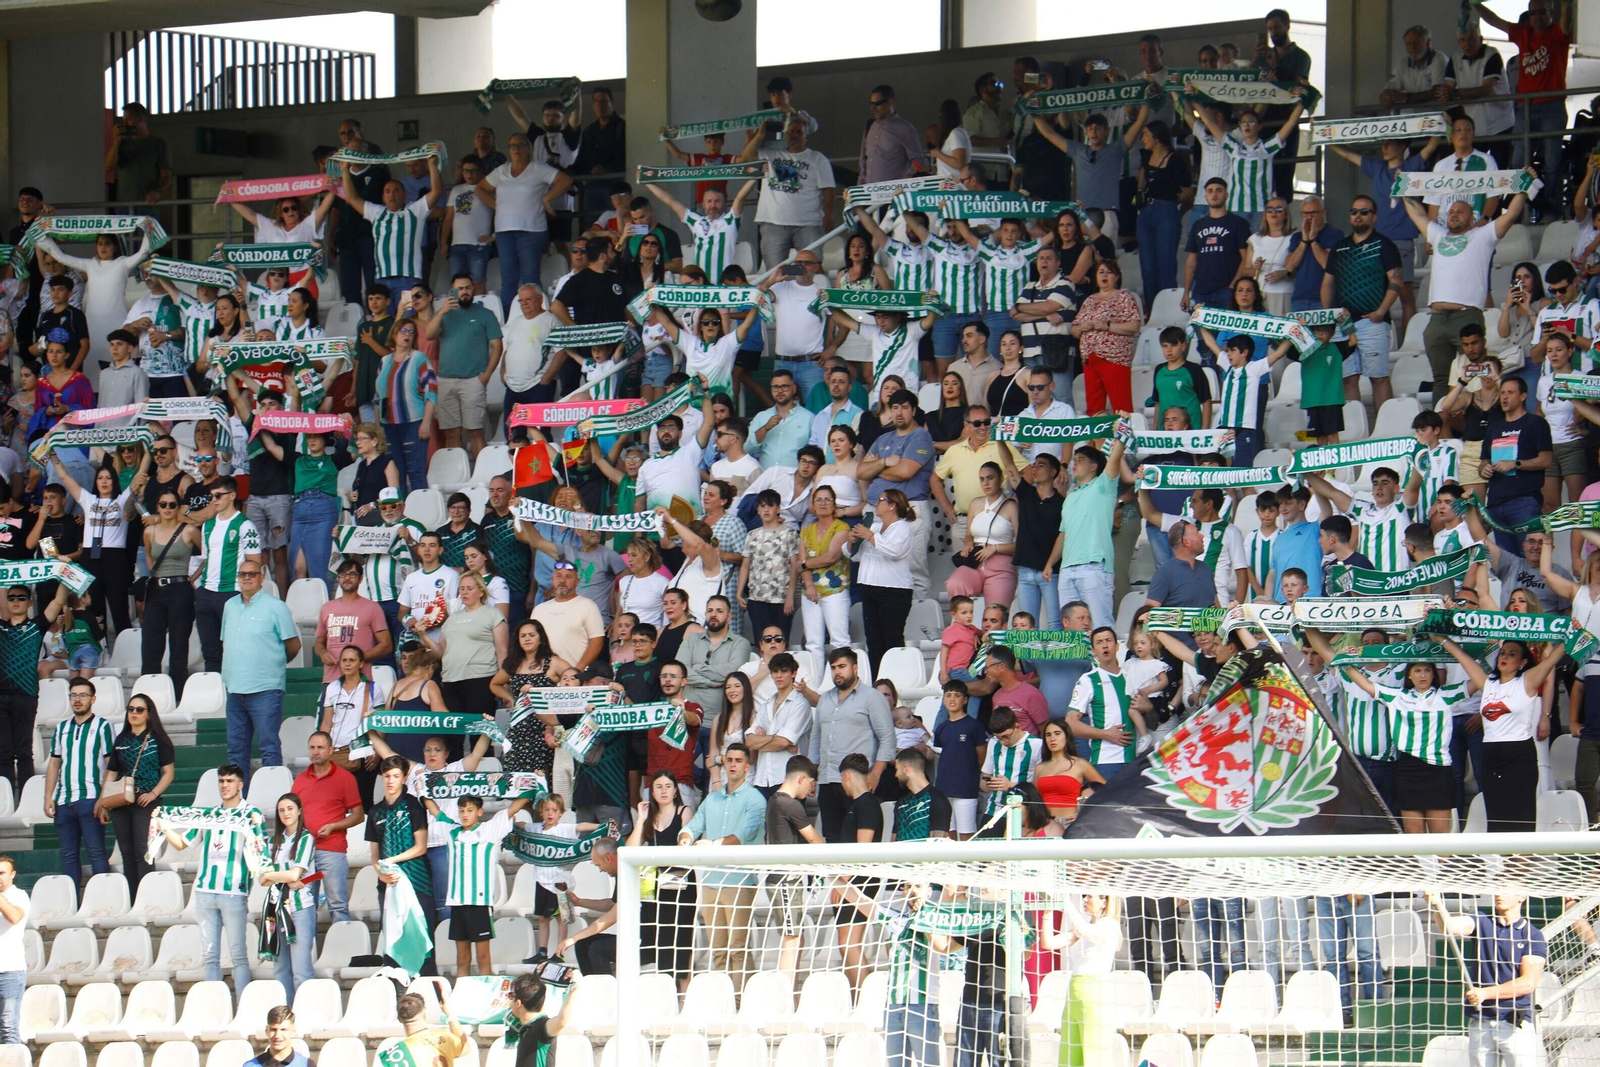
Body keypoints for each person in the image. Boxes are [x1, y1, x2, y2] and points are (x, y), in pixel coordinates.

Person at [1402, 175, 1533, 392]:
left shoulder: (1482, 235)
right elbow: (1417, 213)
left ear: (1472, 218)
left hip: (1466, 315)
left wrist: (1522, 188)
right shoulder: (1439, 234)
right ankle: (1441, 423)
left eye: (1460, 211)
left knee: (1476, 377)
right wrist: (1404, 188)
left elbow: (1511, 215)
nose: (1453, 215)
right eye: (1451, 212)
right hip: (1436, 318)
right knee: (1441, 380)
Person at [1436, 634, 1565, 834]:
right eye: (1502, 653)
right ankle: (1504, 864)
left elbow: (1553, 659)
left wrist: (1574, 631)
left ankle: (1522, 864)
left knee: (1521, 819)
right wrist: (1442, 639)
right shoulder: (1487, 683)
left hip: (1518, 755)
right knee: (1497, 820)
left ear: (1522, 662)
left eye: (1512, 654)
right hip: (1490, 755)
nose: (1504, 657)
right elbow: (1462, 656)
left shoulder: (1527, 681)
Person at [163, 764, 267, 997]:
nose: (224, 785)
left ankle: (243, 1008)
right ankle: (213, 1004)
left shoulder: (251, 815)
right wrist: (163, 825)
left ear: (240, 785)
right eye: (221, 781)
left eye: (229, 781)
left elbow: (261, 853)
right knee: (210, 955)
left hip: (234, 891)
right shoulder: (209, 814)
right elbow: (182, 843)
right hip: (204, 891)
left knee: (238, 954)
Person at [677, 743, 765, 990]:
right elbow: (693, 825)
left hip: (740, 882)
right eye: (730, 760)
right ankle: (724, 1003)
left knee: (738, 948)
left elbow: (744, 834)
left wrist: (712, 844)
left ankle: (742, 1002)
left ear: (747, 767)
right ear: (724, 764)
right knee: (718, 949)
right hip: (712, 882)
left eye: (738, 760)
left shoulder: (756, 799)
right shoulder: (712, 799)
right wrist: (685, 838)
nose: (734, 764)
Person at [1426, 889, 1547, 1066]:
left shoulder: (1532, 935)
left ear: (1522, 896)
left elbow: (1527, 983)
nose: (1499, 894)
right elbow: (1449, 927)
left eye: (1506, 890)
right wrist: (1436, 904)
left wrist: (1485, 993)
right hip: (1481, 1021)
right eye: (1497, 890)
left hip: (1515, 1024)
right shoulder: (1482, 921)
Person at [423, 788, 533, 977]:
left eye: (470, 810)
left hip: (479, 904)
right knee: (462, 959)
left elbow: (514, 807)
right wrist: (422, 788)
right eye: (462, 810)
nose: (465, 814)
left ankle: (486, 998)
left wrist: (532, 784)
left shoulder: (489, 830)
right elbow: (434, 810)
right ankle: (461, 997)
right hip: (458, 903)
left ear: (479, 812)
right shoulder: (451, 831)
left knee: (483, 957)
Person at [46, 451, 143, 638]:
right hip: (91, 556)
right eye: (100, 478)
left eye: (108, 478)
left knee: (118, 606)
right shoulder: (88, 499)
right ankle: (97, 650)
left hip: (115, 558)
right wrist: (53, 456)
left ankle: (126, 649)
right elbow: (65, 476)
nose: (104, 481)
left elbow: (143, 469)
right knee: (93, 607)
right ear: (96, 481)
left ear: (114, 481)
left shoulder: (122, 499)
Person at [35, 231, 153, 384]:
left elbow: (144, 252)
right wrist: (44, 235)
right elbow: (61, 257)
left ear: (115, 247)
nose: (103, 247)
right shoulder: (90, 264)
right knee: (92, 366)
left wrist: (147, 227)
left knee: (118, 359)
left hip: (117, 320)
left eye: (107, 244)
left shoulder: (123, 263)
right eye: (100, 244)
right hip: (92, 323)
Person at [1322, 195, 1403, 408]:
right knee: (1348, 378)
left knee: (1378, 378)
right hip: (1343, 323)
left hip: (1372, 322)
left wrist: (1381, 311)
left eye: (1364, 212)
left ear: (1374, 216)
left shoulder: (1384, 245)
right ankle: (1355, 431)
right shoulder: (1339, 246)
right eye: (1354, 212)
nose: (1358, 216)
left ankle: (1386, 431)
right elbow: (1327, 284)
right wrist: (1330, 316)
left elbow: (1395, 281)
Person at [220, 561, 300, 769]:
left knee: (269, 747)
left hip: (266, 688)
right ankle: (239, 800)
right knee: (236, 750)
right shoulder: (229, 606)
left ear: (262, 577)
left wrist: (273, 664)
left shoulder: (276, 607)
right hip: (235, 688)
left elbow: (293, 645)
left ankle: (273, 797)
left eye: (252, 574)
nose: (247, 578)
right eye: (242, 574)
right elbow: (225, 643)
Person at [809, 648, 895, 841]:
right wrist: (812, 774)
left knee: (856, 838)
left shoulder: (872, 697)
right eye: (833, 668)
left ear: (855, 668)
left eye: (842, 666)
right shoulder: (825, 699)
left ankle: (855, 873)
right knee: (832, 837)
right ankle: (838, 872)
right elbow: (816, 737)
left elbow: (887, 737)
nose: (837, 672)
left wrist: (876, 773)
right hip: (826, 779)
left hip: (856, 780)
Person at [1045, 437, 1129, 630]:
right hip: (1067, 569)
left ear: (1094, 466)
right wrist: (1050, 563)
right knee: (1071, 630)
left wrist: (1122, 429)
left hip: (1094, 567)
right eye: (1075, 459)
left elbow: (1115, 457)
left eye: (1081, 459)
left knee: (1100, 626)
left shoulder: (1104, 486)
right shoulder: (1070, 496)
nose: (1075, 463)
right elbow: (1063, 534)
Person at [340, 154, 443, 309]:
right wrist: (344, 170)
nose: (392, 194)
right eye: (387, 191)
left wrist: (432, 165)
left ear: (405, 194)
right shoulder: (376, 212)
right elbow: (353, 198)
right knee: (386, 325)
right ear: (383, 197)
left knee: (407, 324)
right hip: (382, 281)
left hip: (409, 280)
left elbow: (436, 193)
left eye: (396, 190)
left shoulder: (415, 211)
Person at [476, 132, 572, 297]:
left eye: (520, 145)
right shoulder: (501, 170)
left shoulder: (538, 169)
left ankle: (535, 317)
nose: (516, 149)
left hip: (531, 231)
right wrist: (496, 206)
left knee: (530, 278)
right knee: (508, 278)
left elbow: (565, 181)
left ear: (528, 149)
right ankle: (509, 319)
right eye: (512, 146)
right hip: (504, 231)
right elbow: (480, 188)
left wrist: (547, 198)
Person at [627, 771, 699, 989]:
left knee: (683, 937)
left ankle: (684, 994)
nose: (664, 790)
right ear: (652, 792)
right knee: (663, 939)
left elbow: (687, 842)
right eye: (658, 786)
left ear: (676, 789)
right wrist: (640, 818)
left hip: (682, 883)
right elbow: (630, 849)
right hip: (657, 886)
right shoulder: (649, 818)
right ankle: (668, 993)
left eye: (668, 786)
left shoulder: (684, 812)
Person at [100, 692, 174, 897]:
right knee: (127, 853)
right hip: (121, 801)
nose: (134, 713)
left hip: (146, 801)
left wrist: (153, 793)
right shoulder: (121, 739)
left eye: (139, 710)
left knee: (144, 851)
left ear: (148, 714)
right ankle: (133, 899)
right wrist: (103, 802)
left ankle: (148, 897)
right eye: (130, 709)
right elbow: (112, 772)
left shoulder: (159, 740)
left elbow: (169, 773)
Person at [368, 754, 437, 974]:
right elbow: (374, 855)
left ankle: (431, 998)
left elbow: (421, 846)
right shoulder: (375, 812)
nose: (390, 780)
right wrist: (381, 873)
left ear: (404, 777)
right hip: (389, 886)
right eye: (386, 776)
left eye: (395, 776)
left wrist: (392, 860)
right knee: (392, 945)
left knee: (423, 943)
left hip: (417, 883)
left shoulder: (414, 806)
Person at [422, 273, 502, 459]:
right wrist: (441, 311)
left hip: (473, 380)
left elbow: (497, 346)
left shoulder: (485, 314)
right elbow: (429, 334)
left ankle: (482, 475)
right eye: (460, 288)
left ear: (473, 289)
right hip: (445, 380)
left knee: (475, 432)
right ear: (452, 291)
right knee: (451, 432)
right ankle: (456, 475)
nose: (464, 292)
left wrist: (487, 375)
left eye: (467, 288)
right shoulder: (445, 313)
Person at [45, 678, 114, 888]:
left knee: (96, 853)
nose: (77, 699)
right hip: (63, 800)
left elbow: (111, 765)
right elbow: (54, 764)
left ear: (92, 699)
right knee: (68, 857)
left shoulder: (103, 726)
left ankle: (104, 902)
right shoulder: (61, 728)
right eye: (74, 695)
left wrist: (104, 799)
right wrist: (48, 796)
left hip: (91, 798)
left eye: (83, 695)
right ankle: (71, 905)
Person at [292, 730, 365, 924]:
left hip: (332, 851)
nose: (316, 752)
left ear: (331, 750)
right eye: (312, 747)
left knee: (338, 905)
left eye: (320, 747)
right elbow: (291, 813)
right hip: (305, 854)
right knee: (305, 905)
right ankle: (307, 953)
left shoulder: (344, 778)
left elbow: (359, 816)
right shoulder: (300, 780)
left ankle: (342, 953)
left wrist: (334, 826)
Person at [0, 583, 67, 791]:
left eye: (21, 597)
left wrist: (64, 571)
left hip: (26, 695)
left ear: (30, 603)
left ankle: (29, 797)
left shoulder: (36, 626)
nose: (16, 601)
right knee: (3, 753)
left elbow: (58, 601)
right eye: (11, 598)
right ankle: (7, 801)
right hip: (1, 696)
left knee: (23, 752)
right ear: (7, 602)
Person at [851, 490, 919, 675]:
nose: (877, 503)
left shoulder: (903, 527)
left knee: (892, 639)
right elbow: (855, 555)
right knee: (873, 640)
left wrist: (870, 537)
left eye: (881, 500)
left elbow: (895, 551)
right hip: (869, 587)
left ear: (892, 505)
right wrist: (851, 542)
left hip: (894, 591)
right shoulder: (872, 526)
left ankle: (896, 681)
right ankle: (877, 681)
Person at [258, 793, 317, 1000]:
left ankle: (306, 1016)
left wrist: (274, 875)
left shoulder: (306, 837)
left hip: (300, 908)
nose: (286, 813)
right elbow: (261, 878)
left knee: (301, 971)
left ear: (299, 810)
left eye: (290, 808)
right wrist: (283, 876)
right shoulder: (273, 841)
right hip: (275, 909)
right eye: (281, 810)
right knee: (280, 971)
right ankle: (287, 1016)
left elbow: (294, 874)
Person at [1072, 261, 1142, 415]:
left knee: (1121, 406)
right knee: (1094, 408)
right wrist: (1080, 328)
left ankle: (1123, 438)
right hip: (1090, 359)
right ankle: (1096, 439)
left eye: (1109, 272)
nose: (1104, 275)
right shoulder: (1089, 300)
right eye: (1101, 272)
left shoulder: (1124, 297)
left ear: (1117, 277)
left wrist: (1108, 326)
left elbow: (1134, 326)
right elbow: (1074, 331)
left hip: (1114, 359)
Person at [1183, 178, 1252, 311]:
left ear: (1226, 195)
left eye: (1219, 191)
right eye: (1210, 191)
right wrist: (1186, 293)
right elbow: (1191, 262)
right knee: (1202, 331)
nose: (1214, 194)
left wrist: (1233, 286)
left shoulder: (1239, 223)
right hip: (1201, 291)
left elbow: (1246, 258)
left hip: (1227, 290)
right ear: (1205, 196)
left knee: (1228, 331)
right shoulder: (1197, 225)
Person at [109, 102, 172, 208]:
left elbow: (166, 175)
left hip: (147, 205)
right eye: (123, 119)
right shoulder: (122, 144)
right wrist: (116, 142)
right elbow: (108, 166)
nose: (125, 123)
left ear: (141, 119)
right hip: (123, 206)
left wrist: (158, 192)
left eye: (128, 119)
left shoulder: (158, 144)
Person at [858, 84, 923, 186]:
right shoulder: (870, 126)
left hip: (892, 195)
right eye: (871, 104)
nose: (873, 108)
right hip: (869, 194)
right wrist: (860, 187)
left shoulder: (904, 129)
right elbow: (863, 161)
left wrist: (907, 179)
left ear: (891, 102)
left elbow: (918, 159)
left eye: (878, 103)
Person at [0, 855, 28, 1044]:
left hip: (10, 970)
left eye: (2, 873)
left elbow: (14, 917)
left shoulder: (19, 896)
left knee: (8, 1027)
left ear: (12, 875)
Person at [246, 1005, 311, 1067]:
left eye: (283, 1030)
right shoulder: (250, 1065)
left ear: (293, 1031)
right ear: (266, 1031)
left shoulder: (307, 1065)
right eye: (273, 1030)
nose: (277, 1035)